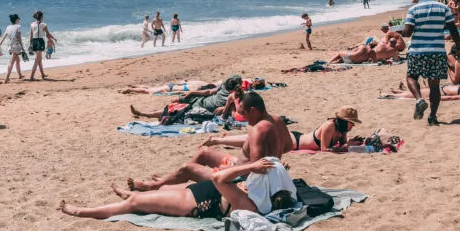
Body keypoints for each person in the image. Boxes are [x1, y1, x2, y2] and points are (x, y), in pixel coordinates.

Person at [127, 91, 293, 191]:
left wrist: (228, 169)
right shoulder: (277, 120)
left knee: (187, 168)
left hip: (238, 179)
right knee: (204, 153)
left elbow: (256, 169)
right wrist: (276, 159)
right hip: (239, 167)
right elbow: (288, 146)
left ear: (253, 110)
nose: (243, 119)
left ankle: (153, 186)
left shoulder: (258, 129)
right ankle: (170, 179)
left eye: (244, 114)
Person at [59, 157, 293, 221]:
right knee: (158, 194)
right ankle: (131, 193)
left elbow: (220, 179)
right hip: (200, 192)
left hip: (194, 204)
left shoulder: (252, 204)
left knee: (134, 205)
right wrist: (280, 170)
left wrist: (251, 165)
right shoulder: (266, 194)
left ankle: (81, 211)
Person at [397, 0, 460, 126]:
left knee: (411, 77)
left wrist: (399, 31)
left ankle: (419, 99)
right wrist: (459, 48)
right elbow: (453, 30)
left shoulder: (413, 10)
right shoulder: (444, 8)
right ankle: (433, 116)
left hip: (418, 51)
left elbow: (408, 33)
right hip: (437, 52)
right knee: (434, 86)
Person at [203, 105, 360, 153]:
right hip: (294, 141)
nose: (352, 126)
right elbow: (325, 150)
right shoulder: (330, 126)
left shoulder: (342, 130)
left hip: (296, 141)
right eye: (351, 123)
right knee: (256, 139)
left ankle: (220, 139)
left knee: (256, 140)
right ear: (344, 120)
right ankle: (217, 139)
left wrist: (347, 145)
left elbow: (339, 147)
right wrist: (345, 148)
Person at [129, 75, 243, 120]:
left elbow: (235, 110)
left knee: (172, 109)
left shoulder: (237, 97)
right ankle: (152, 113)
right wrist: (193, 92)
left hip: (203, 108)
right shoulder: (223, 86)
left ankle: (144, 113)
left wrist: (223, 109)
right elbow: (208, 91)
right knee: (174, 100)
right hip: (201, 100)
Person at [27, 10, 56, 81]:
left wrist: (30, 44)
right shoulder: (44, 24)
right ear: (41, 17)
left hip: (34, 41)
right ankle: (31, 76)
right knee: (37, 59)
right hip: (40, 41)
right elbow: (48, 34)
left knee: (39, 59)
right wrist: (54, 38)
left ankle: (42, 74)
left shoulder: (32, 24)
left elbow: (30, 36)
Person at [1, 13, 25, 83]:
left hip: (10, 45)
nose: (19, 20)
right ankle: (7, 78)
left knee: (17, 60)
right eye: (18, 19)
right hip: (16, 46)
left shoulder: (8, 27)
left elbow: (4, 36)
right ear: (16, 20)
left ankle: (20, 75)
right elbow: (19, 37)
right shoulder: (18, 26)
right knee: (11, 62)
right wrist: (22, 46)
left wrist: (0, 44)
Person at [119, 80, 215, 95]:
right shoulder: (196, 89)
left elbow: (184, 82)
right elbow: (180, 93)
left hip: (173, 85)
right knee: (148, 91)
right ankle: (130, 89)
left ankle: (136, 86)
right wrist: (168, 94)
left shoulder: (198, 83)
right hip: (170, 89)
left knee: (151, 87)